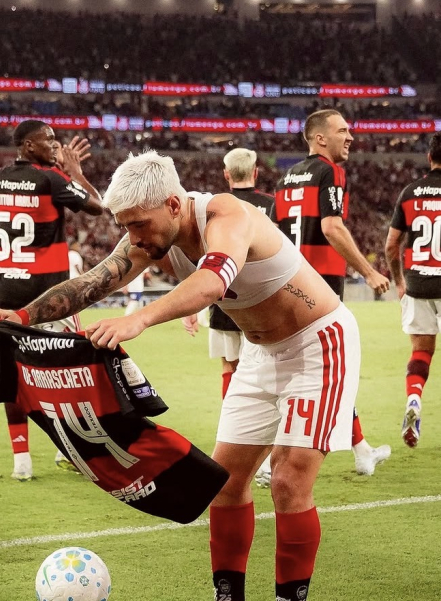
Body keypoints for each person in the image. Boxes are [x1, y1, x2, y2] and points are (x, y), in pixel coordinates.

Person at [0, 150, 362, 601]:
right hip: (260, 353)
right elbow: (94, 282)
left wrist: (138, 319)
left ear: (172, 204)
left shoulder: (226, 215)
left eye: (138, 224)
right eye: (125, 226)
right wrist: (23, 316)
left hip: (317, 344)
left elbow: (211, 282)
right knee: (224, 482)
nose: (133, 237)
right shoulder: (151, 238)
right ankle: (229, 596)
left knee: (287, 481)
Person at [273, 109, 391, 477]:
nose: (351, 137)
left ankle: (360, 449)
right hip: (320, 289)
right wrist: (369, 271)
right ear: (320, 138)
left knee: (300, 373)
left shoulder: (284, 179)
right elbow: (332, 226)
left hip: (285, 285)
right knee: (331, 373)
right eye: (343, 131)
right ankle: (272, 460)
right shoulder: (330, 172)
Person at [0, 120, 104, 481]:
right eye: (47, 140)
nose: (55, 145)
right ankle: (65, 450)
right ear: (26, 145)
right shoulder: (51, 179)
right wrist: (75, 173)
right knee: (67, 372)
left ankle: (21, 460)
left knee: (12, 375)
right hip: (50, 296)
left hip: (6, 291)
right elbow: (98, 207)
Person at [183, 148, 274, 400]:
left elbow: (199, 256)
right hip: (262, 302)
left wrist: (190, 304)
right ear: (255, 172)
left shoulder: (211, 207)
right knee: (260, 372)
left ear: (226, 175)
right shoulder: (271, 205)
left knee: (229, 368)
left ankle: (231, 428)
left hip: (223, 299)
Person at [384, 133, 441, 448]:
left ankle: (414, 401)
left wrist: (400, 282)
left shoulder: (410, 193)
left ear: (429, 158)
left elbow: (392, 245)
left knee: (421, 353)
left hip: (418, 284)